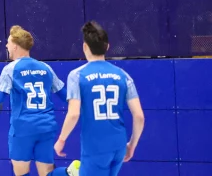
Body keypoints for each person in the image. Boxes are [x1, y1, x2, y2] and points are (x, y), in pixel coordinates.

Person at [0, 25, 70, 176]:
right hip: (46, 127)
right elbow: (66, 96)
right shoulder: (46, 68)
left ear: (16, 46)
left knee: (21, 173)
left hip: (23, 128)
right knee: (47, 173)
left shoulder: (11, 69)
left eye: (8, 42)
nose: (6, 45)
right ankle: (69, 172)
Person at [54, 21, 145, 176]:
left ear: (84, 47)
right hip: (118, 144)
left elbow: (74, 114)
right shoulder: (123, 75)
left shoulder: (77, 76)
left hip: (95, 146)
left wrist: (61, 140)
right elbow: (139, 116)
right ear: (107, 47)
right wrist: (132, 145)